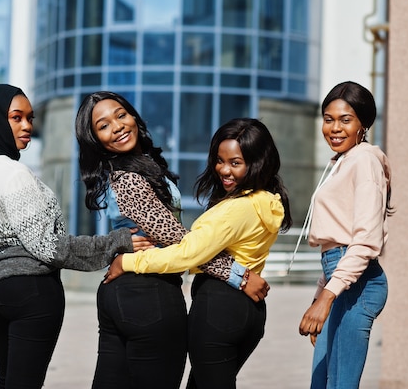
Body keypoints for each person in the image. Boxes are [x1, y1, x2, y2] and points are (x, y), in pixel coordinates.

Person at [75, 93, 271, 389]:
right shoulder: (127, 178)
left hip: (121, 293)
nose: (116, 126)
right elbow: (179, 239)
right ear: (95, 139)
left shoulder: (141, 166)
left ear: (133, 117)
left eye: (120, 115)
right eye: (103, 126)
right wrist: (239, 276)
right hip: (147, 293)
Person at [0, 84, 134, 389]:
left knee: (7, 379)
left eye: (30, 118)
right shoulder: (13, 173)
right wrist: (116, 241)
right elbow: (49, 247)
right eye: (16, 118)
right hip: (29, 290)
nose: (27, 127)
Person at [297, 81, 392, 389]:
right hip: (339, 281)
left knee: (339, 385)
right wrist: (320, 294)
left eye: (345, 119)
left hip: (359, 285)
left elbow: (363, 241)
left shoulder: (364, 161)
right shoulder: (343, 162)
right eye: (328, 119)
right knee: (322, 383)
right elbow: (335, 240)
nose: (334, 128)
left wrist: (326, 297)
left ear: (362, 124)